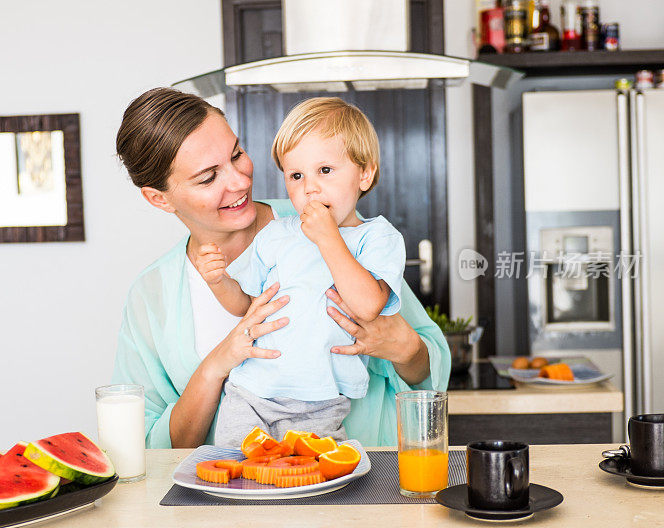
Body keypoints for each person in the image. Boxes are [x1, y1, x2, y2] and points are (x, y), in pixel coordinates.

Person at [112, 87, 450, 449]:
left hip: (355, 487)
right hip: (232, 496)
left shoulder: (329, 226)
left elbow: (429, 369)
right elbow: (153, 448)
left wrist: (403, 347)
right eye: (209, 177)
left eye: (237, 154)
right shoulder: (151, 297)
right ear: (158, 198)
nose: (240, 181)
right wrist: (217, 366)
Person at [195, 98, 406, 447]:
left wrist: (329, 239)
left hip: (322, 400)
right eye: (296, 175)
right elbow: (246, 305)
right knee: (236, 475)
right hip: (252, 393)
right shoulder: (277, 233)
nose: (309, 187)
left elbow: (368, 306)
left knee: (312, 480)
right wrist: (219, 281)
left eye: (325, 171)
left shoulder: (378, 237)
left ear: (364, 174)